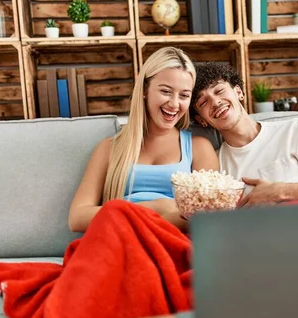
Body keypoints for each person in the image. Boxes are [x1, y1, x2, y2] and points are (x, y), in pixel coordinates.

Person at [69, 47, 218, 233]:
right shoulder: (110, 148)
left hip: (172, 241)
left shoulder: (199, 148)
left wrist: (165, 219)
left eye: (184, 95)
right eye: (166, 91)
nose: (174, 103)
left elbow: (210, 219)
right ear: (145, 89)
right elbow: (77, 218)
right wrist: (155, 209)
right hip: (120, 240)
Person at [191, 62, 298, 207]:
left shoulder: (294, 131)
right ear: (201, 120)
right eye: (203, 102)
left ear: (239, 92)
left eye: (219, 91)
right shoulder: (215, 166)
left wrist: (278, 190)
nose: (215, 102)